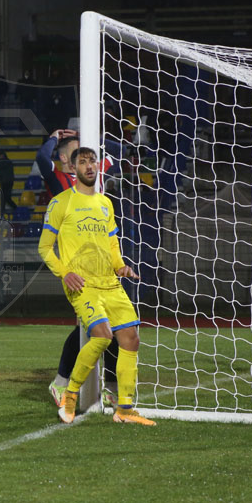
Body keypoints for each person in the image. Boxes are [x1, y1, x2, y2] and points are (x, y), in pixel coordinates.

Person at [38, 147, 155, 426]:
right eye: (82, 162)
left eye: (92, 161)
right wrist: (65, 273)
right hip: (82, 284)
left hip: (110, 282)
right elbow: (44, 248)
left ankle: (124, 409)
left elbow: (112, 243)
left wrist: (120, 266)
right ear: (72, 168)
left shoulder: (105, 203)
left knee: (131, 338)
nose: (89, 166)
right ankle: (69, 397)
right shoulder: (61, 202)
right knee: (102, 336)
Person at [0, 150, 16, 217]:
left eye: (2, 155)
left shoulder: (7, 162)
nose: (1, 156)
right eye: (0, 155)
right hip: (4, 182)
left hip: (8, 182)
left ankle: (14, 208)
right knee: (5, 198)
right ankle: (3, 213)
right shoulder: (6, 162)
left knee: (6, 198)